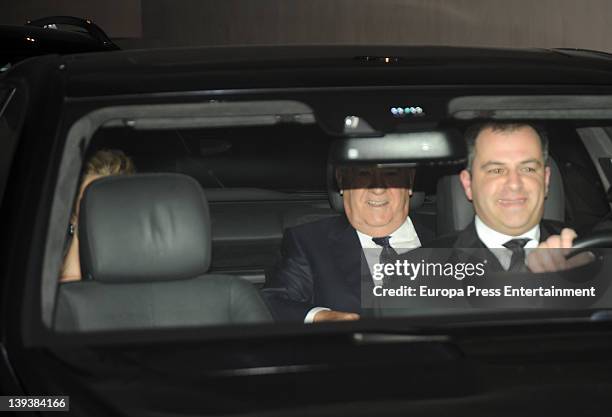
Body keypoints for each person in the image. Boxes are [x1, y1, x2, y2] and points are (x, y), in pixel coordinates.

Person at [262, 165, 432, 322]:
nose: (378, 189)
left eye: (390, 173)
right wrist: (321, 317)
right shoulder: (310, 241)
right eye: (363, 173)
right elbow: (273, 302)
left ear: (410, 181)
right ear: (342, 181)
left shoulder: (449, 236)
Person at [430, 121, 590, 272]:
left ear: (546, 180)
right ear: (468, 184)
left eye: (528, 169)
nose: (514, 184)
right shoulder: (422, 268)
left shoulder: (590, 252)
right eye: (496, 170)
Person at [59, 149, 135, 282]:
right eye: (88, 200)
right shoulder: (56, 253)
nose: (98, 210)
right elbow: (69, 290)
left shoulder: (146, 252)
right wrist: (78, 230)